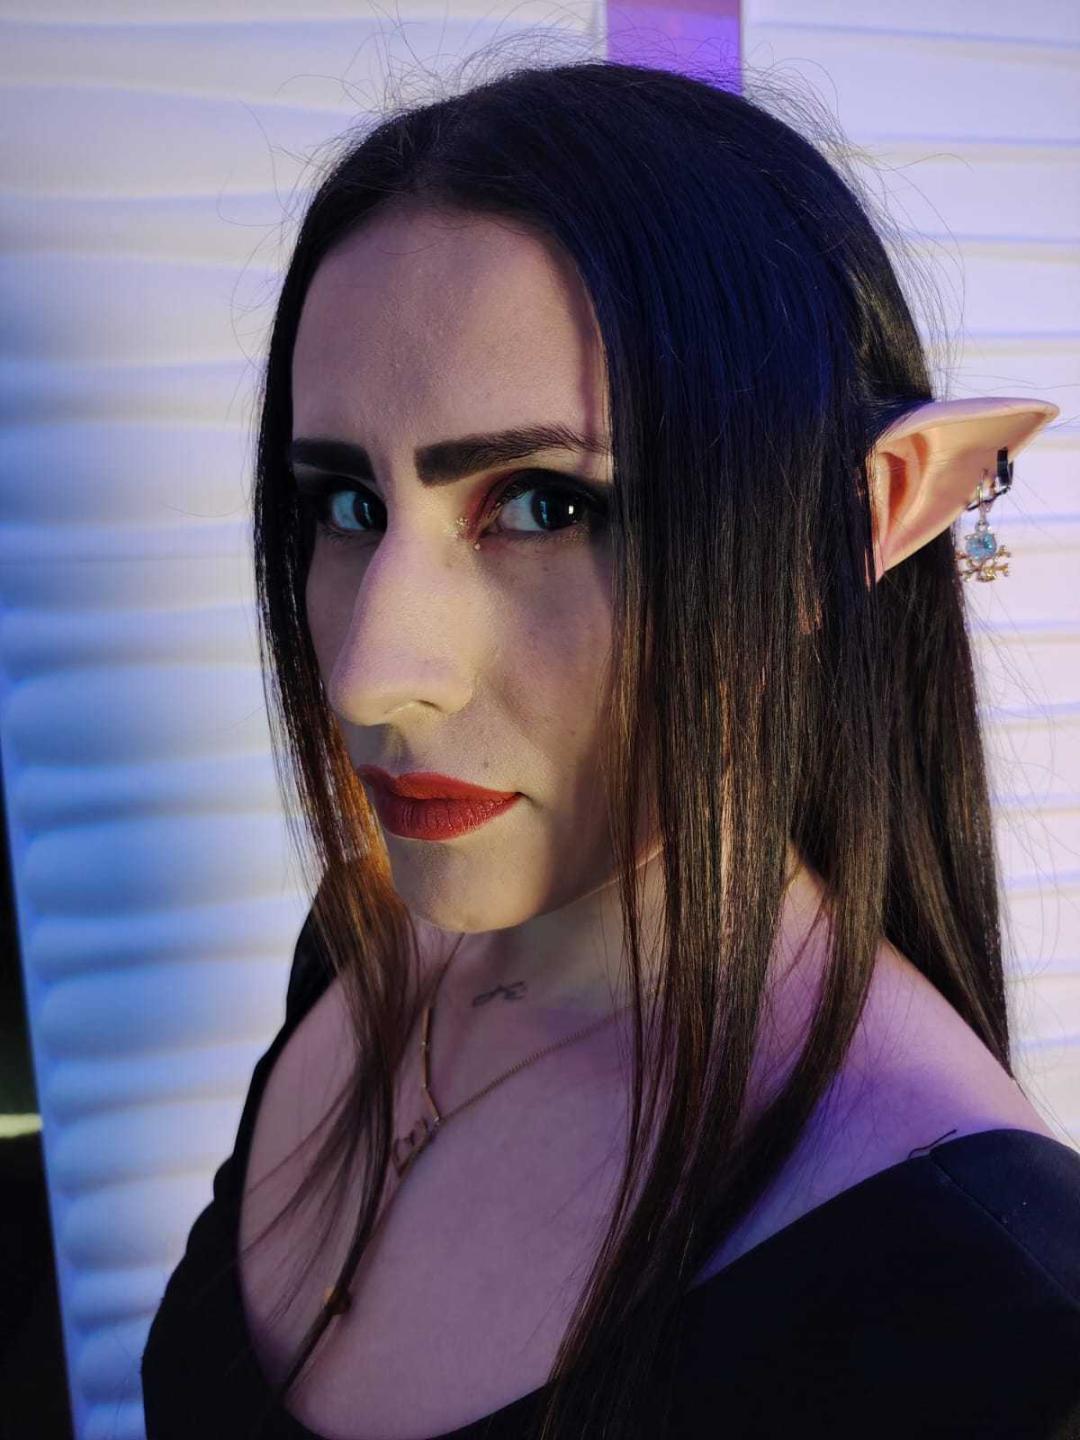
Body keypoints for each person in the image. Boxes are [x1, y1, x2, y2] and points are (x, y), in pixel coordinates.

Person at [141, 54, 1080, 1440]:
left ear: (842, 529)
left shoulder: (993, 1320)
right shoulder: (359, 943)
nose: (370, 674)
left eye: (542, 506)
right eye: (346, 504)